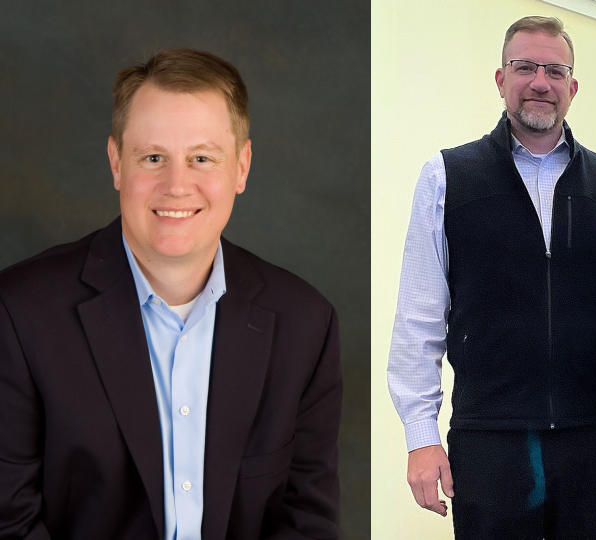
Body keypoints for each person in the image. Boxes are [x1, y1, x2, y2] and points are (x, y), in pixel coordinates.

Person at [0, 49, 341, 539]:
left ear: (241, 167)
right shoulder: (18, 314)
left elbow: (307, 523)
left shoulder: (305, 324)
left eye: (202, 158)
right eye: (153, 158)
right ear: (117, 163)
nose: (177, 185)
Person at [387, 15, 596, 538]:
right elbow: (419, 317)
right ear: (500, 79)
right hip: (490, 438)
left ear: (572, 88)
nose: (540, 82)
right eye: (524, 66)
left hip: (593, 439)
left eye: (554, 70)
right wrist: (420, 436)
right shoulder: (447, 177)